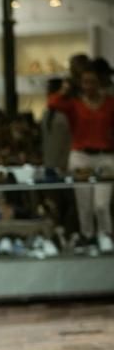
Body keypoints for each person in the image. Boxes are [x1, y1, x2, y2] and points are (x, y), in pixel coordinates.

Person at [48, 62, 114, 241]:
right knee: (84, 204)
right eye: (85, 82)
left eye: (92, 82)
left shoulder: (109, 103)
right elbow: (52, 102)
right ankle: (88, 237)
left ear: (99, 83)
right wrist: (65, 89)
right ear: (80, 84)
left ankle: (106, 237)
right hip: (81, 156)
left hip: (105, 156)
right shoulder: (74, 104)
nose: (89, 86)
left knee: (101, 204)